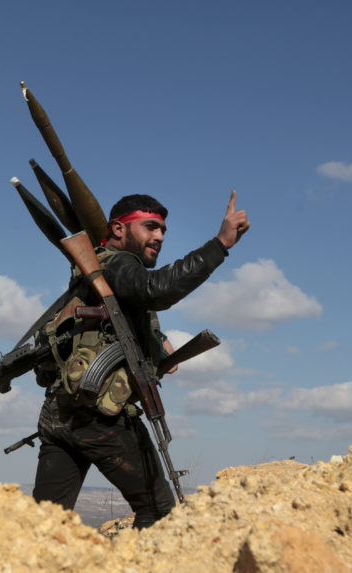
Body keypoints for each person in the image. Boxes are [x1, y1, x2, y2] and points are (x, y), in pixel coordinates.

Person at [31, 190, 249, 528]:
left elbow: (126, 322)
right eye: (150, 227)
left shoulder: (99, 272)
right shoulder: (117, 262)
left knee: (43, 524)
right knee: (159, 513)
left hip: (60, 415)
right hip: (99, 419)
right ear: (119, 229)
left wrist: (157, 347)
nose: (159, 236)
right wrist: (220, 244)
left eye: (162, 230)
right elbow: (155, 289)